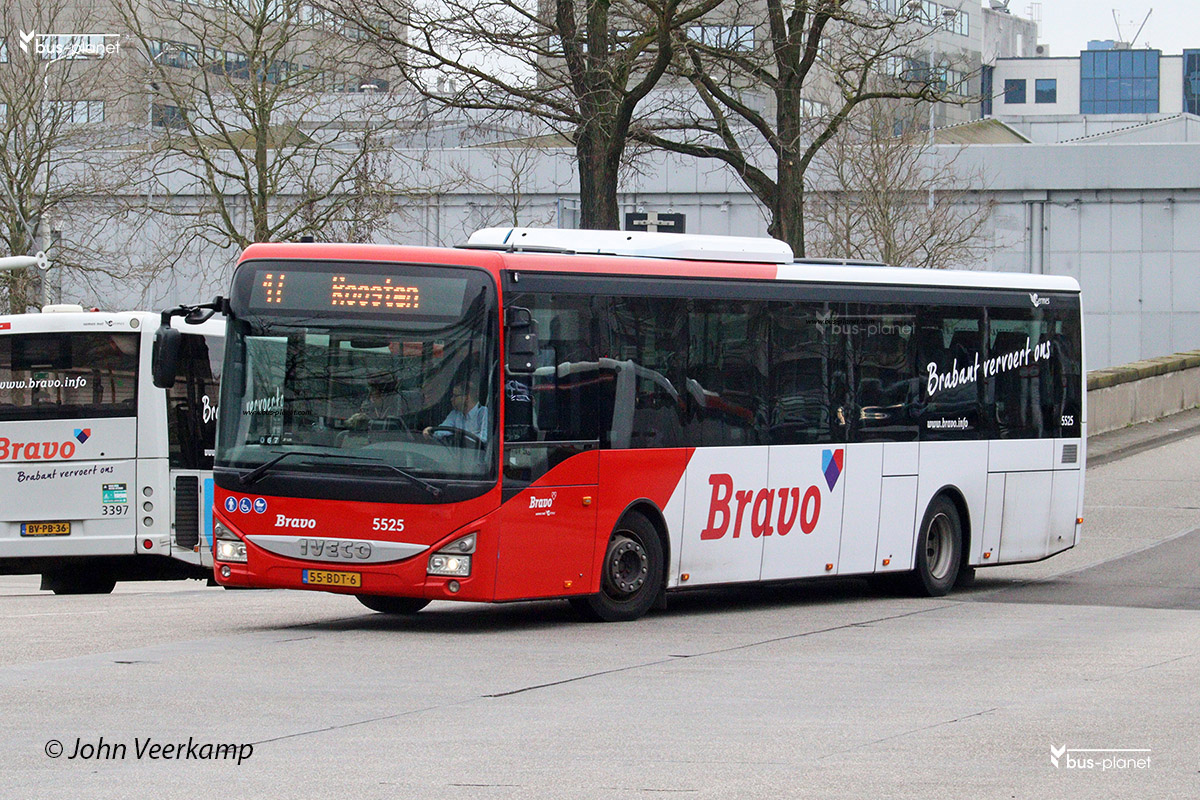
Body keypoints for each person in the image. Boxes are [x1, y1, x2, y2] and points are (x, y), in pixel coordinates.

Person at [424, 382, 488, 443]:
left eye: (455, 396)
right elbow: (443, 431)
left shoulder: (484, 413)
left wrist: (459, 439)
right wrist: (431, 432)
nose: (451, 399)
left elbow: (484, 438)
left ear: (467, 398)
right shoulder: (455, 414)